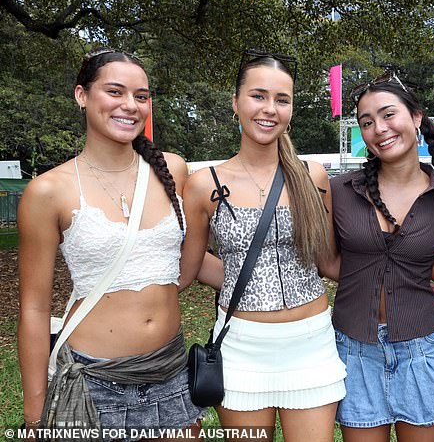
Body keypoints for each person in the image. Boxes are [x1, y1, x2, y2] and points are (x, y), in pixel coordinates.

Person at [18, 49, 205, 438]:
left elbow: (182, 262)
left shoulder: (172, 168)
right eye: (115, 92)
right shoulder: (48, 190)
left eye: (141, 95)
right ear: (81, 95)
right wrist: (35, 413)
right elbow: (34, 310)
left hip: (170, 372)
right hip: (94, 384)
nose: (130, 106)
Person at [180, 50, 346, 442]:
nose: (269, 109)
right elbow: (187, 266)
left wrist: (399, 273)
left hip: (311, 345)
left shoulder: (312, 175)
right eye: (258, 96)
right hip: (240, 348)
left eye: (282, 99)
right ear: (235, 102)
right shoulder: (204, 184)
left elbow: (327, 260)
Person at [326, 72, 434, 442]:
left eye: (388, 115)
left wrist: (414, 266)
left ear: (416, 117)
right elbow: (326, 261)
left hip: (423, 349)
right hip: (354, 350)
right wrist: (375, 270)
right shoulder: (339, 190)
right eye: (366, 122)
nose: (378, 129)